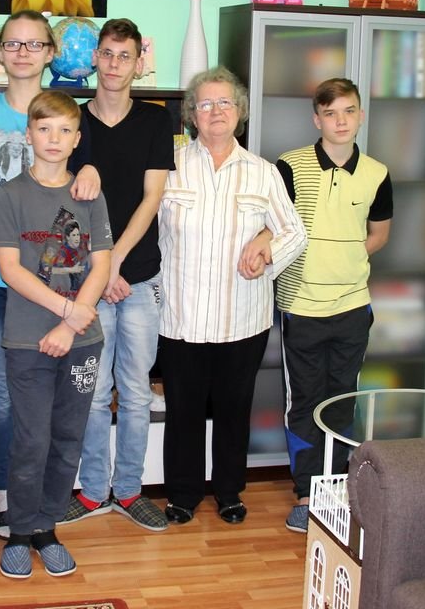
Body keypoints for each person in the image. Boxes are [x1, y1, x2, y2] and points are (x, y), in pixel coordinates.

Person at [0, 9, 100, 540]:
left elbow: (88, 183)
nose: (23, 53)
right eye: (13, 43)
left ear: (50, 53)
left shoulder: (67, 115)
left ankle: (43, 508)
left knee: (60, 415)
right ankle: (10, 499)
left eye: (34, 44)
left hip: (60, 285)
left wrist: (90, 167)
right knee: (3, 396)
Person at [157, 67, 306, 527]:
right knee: (182, 412)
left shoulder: (263, 172)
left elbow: (295, 231)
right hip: (180, 317)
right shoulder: (169, 167)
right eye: (205, 103)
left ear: (240, 111)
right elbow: (147, 230)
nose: (216, 111)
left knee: (233, 412)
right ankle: (182, 494)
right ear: (191, 115)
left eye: (225, 103)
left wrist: (267, 248)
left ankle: (228, 491)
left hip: (242, 318)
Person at [0, 90, 112, 580]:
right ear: (29, 134)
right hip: (29, 341)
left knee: (67, 438)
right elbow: (11, 270)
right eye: (44, 128)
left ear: (77, 140)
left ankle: (46, 528)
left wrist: (73, 323)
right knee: (31, 439)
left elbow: (102, 264)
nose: (54, 139)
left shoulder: (90, 195)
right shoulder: (8, 196)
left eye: (64, 130)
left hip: (82, 342)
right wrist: (66, 313)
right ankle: (18, 531)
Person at [59, 18, 175, 532]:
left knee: (135, 391)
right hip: (88, 280)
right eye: (106, 53)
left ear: (138, 63)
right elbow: (66, 204)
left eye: (124, 55)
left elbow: (153, 199)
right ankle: (92, 492)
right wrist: (100, 270)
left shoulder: (155, 120)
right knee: (90, 390)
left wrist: (118, 264)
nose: (113, 64)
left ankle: (128, 491)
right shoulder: (72, 121)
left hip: (139, 277)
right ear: (94, 58)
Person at [274, 77, 392, 534]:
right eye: (330, 113)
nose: (340, 121)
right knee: (305, 400)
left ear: (361, 116)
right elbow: (276, 227)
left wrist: (345, 258)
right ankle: (307, 494)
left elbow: (379, 234)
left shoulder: (377, 173)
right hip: (301, 305)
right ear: (316, 119)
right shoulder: (290, 166)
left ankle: (336, 487)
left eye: (349, 111)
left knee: (342, 400)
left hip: (352, 307)